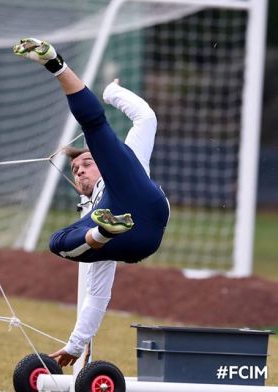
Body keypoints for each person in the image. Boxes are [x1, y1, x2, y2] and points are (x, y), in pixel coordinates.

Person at [13, 38, 170, 367]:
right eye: (75, 169)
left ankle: (54, 62)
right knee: (57, 241)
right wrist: (75, 344)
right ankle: (103, 234)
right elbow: (97, 295)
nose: (80, 169)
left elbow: (146, 118)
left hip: (142, 203)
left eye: (86, 162)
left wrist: (113, 94)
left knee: (97, 128)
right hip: (119, 235)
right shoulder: (91, 215)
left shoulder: (126, 159)